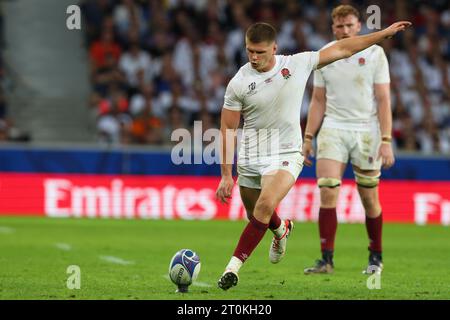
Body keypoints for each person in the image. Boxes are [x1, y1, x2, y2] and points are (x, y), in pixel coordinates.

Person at [215, 20, 410, 290]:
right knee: (256, 213)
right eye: (250, 51)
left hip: (286, 152)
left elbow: (343, 48)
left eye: (260, 52)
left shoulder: (297, 64)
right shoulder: (239, 81)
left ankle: (232, 268)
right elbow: (227, 128)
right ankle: (281, 229)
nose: (254, 57)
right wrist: (226, 174)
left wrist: (382, 34)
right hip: (251, 154)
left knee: (264, 205)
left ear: (274, 48)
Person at [302, 5, 395, 276]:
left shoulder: (375, 53)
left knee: (368, 197)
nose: (344, 31)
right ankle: (326, 259)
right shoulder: (325, 55)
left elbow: (383, 99)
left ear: (358, 26)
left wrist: (386, 139)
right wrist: (308, 137)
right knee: (328, 190)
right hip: (333, 127)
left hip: (367, 130)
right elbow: (318, 100)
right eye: (339, 26)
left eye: (349, 25)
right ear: (333, 28)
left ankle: (375, 256)